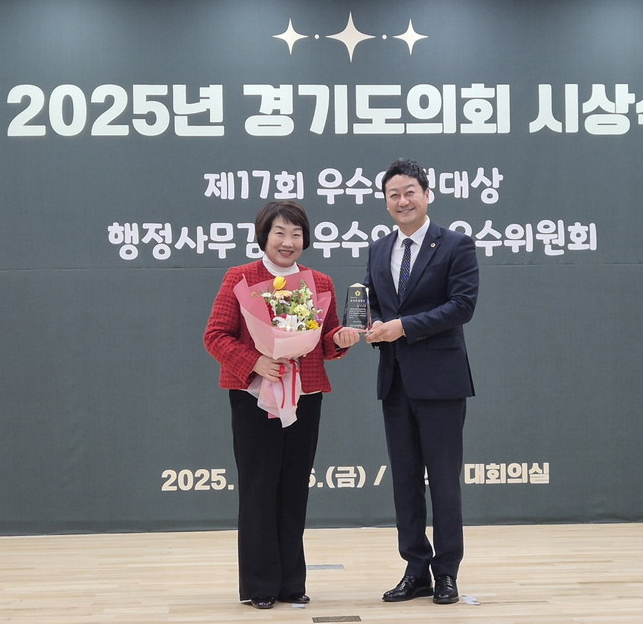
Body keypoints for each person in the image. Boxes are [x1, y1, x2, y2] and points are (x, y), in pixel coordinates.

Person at [204, 200, 360, 610]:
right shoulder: (240, 277)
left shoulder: (319, 282)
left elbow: (326, 340)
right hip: (255, 396)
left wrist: (340, 340)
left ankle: (291, 582)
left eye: (296, 234)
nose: (288, 241)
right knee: (259, 488)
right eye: (280, 233)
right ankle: (259, 584)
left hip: (304, 397)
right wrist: (255, 361)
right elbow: (215, 336)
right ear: (264, 236)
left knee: (294, 488)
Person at [364, 158, 479, 605]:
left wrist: (403, 327)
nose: (402, 201)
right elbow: (370, 300)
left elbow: (462, 306)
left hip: (441, 382)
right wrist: (370, 322)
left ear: (427, 195)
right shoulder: (378, 248)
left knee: (444, 482)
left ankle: (446, 572)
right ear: (386, 202)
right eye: (393, 195)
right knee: (405, 481)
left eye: (409, 191)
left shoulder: (456, 245)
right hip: (395, 381)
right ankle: (415, 569)